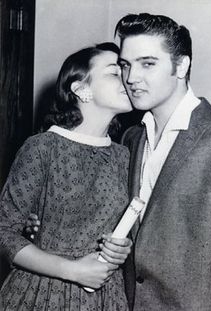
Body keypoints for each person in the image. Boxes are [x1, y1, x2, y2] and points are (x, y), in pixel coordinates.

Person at [114, 13, 211, 310]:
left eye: (148, 63)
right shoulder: (132, 137)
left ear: (181, 65)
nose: (131, 78)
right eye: (125, 64)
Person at [0, 42, 133, 310]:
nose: (128, 79)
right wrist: (72, 271)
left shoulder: (125, 155)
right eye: (113, 72)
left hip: (106, 297)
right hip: (44, 293)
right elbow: (4, 232)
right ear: (81, 89)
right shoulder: (43, 147)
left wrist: (123, 249)